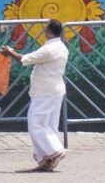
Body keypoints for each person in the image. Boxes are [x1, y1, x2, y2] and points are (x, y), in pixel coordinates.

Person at [23, 18, 71, 174]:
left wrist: (10, 52)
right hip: (54, 90)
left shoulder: (50, 49)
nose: (44, 30)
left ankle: (54, 150)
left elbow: (27, 59)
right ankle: (47, 159)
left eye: (46, 28)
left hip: (45, 91)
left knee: (35, 122)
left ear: (49, 31)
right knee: (49, 125)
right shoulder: (61, 47)